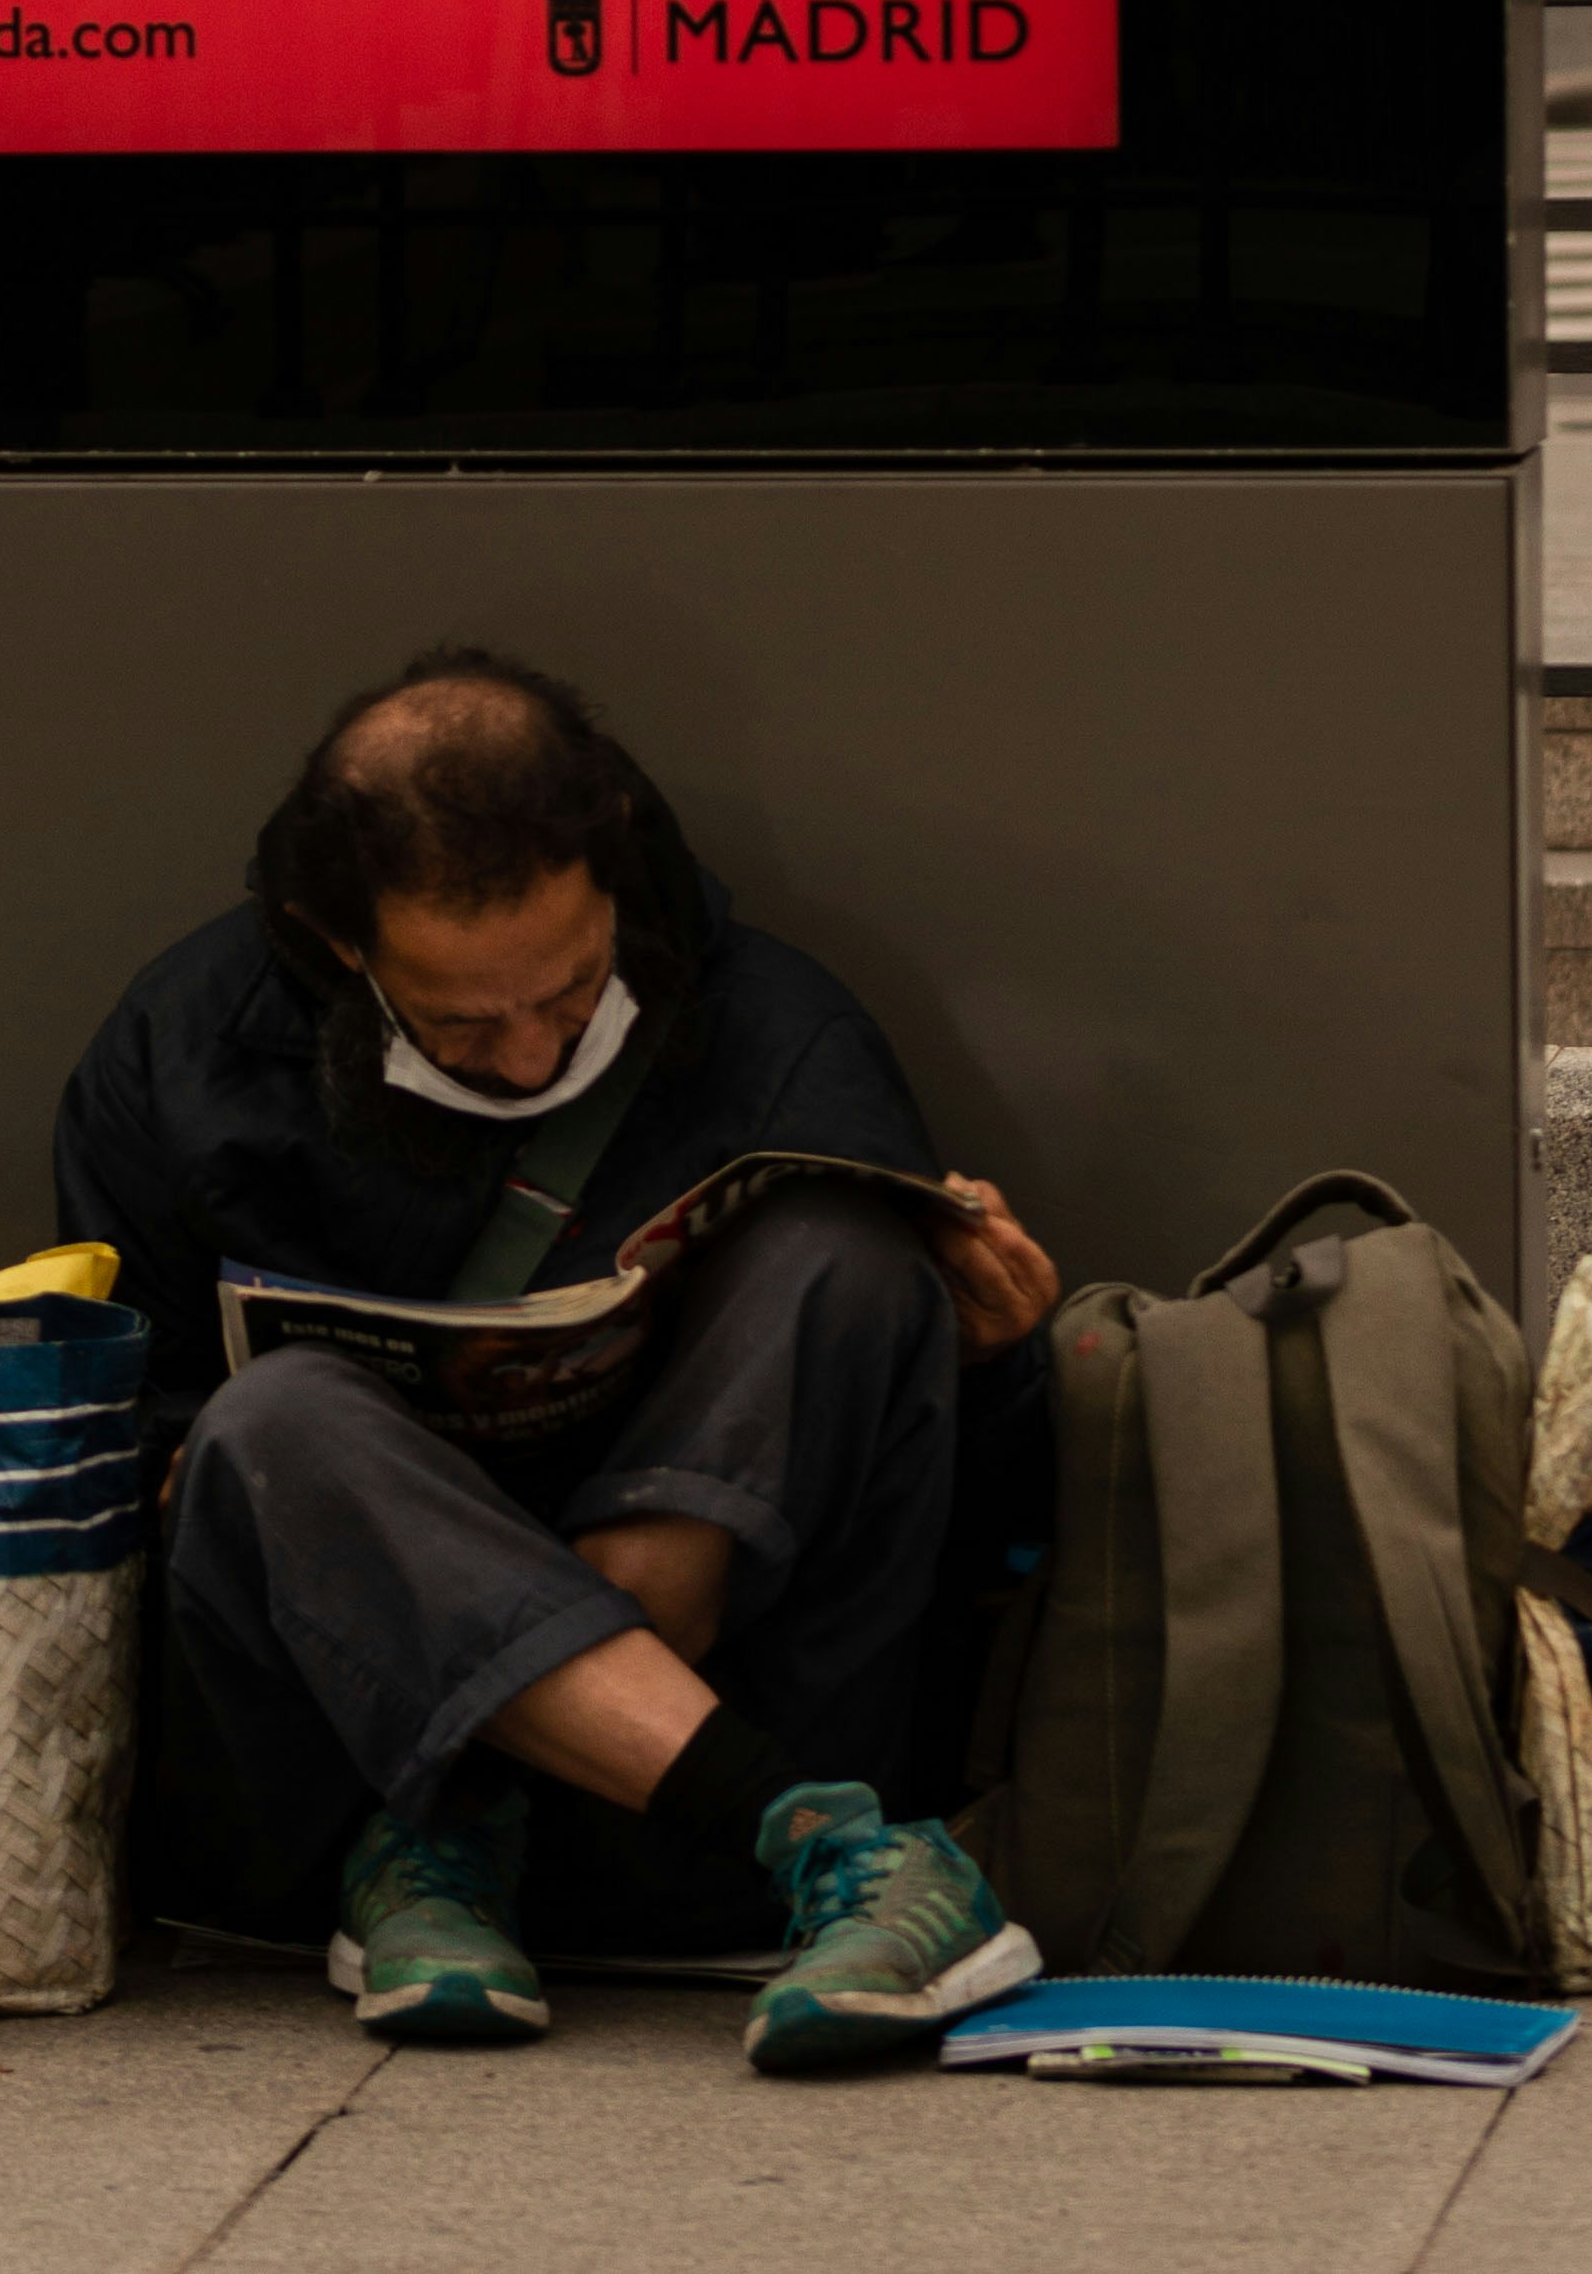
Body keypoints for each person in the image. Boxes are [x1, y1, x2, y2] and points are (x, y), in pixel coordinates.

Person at [52, 643, 1061, 2074]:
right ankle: (808, 1844)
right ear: (337, 942)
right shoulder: (184, 1051)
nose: (530, 1058)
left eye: (573, 990)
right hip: (360, 1802)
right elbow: (117, 1468)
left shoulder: (781, 1034)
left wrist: (1000, 1364)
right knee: (275, 1419)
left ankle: (785, 1849)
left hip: (720, 1728)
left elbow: (953, 1511)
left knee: (841, 1251)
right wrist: (179, 1470)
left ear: (616, 878)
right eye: (465, 1021)